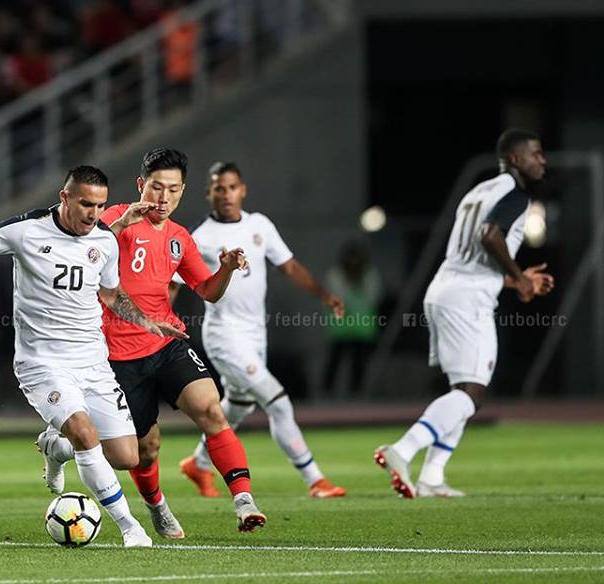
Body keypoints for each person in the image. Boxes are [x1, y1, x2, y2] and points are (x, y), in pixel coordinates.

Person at [0, 165, 187, 548]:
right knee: (86, 434)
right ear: (65, 198)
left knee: (127, 456)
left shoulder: (105, 241)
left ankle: (55, 447)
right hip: (43, 363)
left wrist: (146, 320)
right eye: (86, 204)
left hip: (92, 362)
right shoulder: (26, 230)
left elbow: (110, 295)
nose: (94, 214)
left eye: (101, 205)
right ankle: (130, 527)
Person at [39, 148, 266, 537]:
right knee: (141, 451)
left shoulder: (179, 238)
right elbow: (78, 247)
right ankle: (154, 502)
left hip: (166, 343)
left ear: (183, 191)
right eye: (157, 188)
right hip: (114, 358)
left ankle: (244, 501)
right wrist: (122, 223)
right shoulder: (113, 217)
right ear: (141, 185)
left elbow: (208, 291)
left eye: (173, 191)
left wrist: (226, 269)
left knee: (211, 409)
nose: (164, 199)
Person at [375, 129, 554, 498]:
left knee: (463, 391)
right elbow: (491, 236)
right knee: (473, 393)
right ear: (516, 159)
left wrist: (513, 280)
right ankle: (404, 450)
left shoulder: (478, 190)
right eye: (536, 154)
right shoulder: (516, 195)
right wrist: (520, 280)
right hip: (467, 299)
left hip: (446, 289)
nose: (543, 160)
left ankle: (432, 477)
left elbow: (473, 254)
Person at [173, 162, 348, 499]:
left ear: (243, 190)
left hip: (256, 334)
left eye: (232, 187)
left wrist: (325, 296)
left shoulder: (260, 225)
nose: (226, 194)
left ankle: (198, 463)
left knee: (238, 405)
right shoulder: (198, 236)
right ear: (209, 192)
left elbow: (290, 266)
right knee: (278, 402)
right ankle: (315, 479)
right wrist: (159, 320)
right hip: (224, 335)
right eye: (219, 188)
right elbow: (174, 285)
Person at [322, 242, 382, 397]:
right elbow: (336, 297)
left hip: (363, 329)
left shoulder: (369, 275)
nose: (353, 262)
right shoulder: (335, 275)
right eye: (350, 258)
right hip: (340, 328)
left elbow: (374, 297)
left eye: (356, 259)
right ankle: (326, 392)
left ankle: (356, 393)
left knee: (359, 364)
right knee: (334, 362)